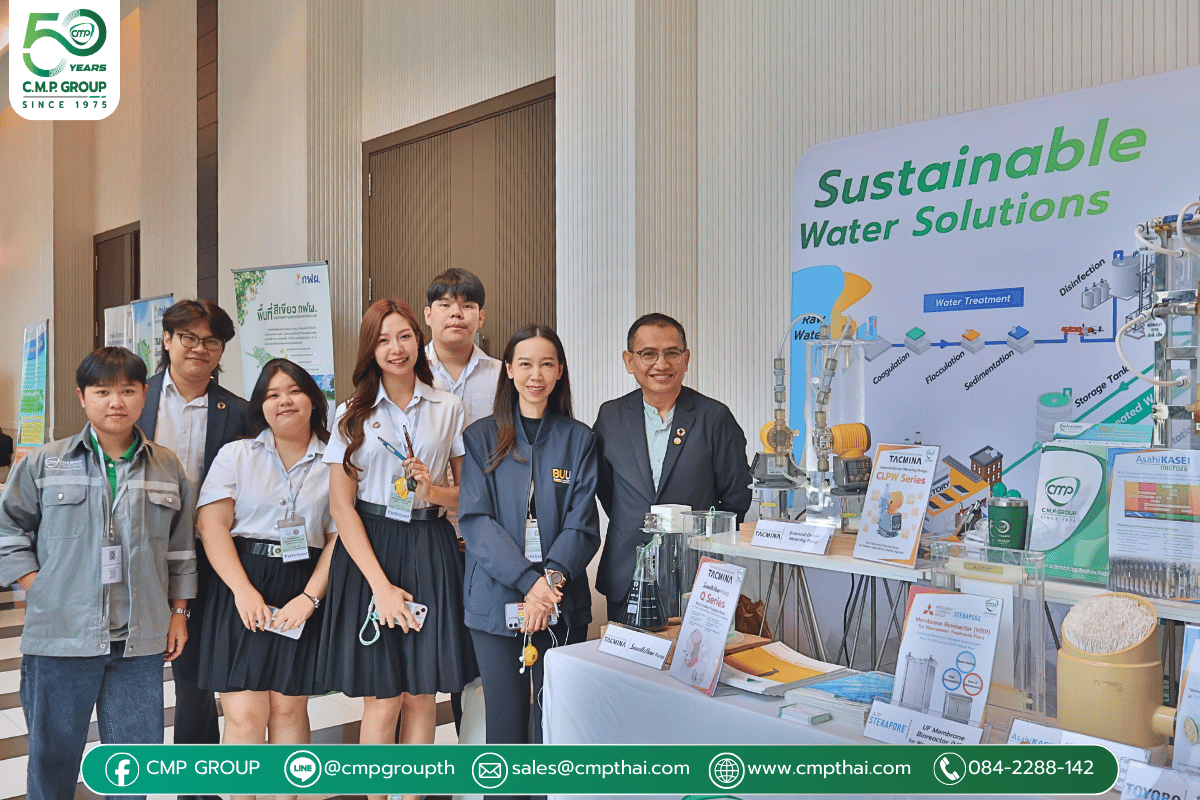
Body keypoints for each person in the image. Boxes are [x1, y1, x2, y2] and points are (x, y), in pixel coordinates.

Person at [0, 348, 196, 800]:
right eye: (102, 391)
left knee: (134, 762)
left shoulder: (167, 466)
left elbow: (181, 548)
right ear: (82, 397)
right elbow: (8, 528)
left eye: (127, 390)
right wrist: (35, 585)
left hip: (139, 639)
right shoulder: (45, 462)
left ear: (144, 393)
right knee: (53, 756)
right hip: (61, 634)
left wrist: (179, 613)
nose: (116, 402)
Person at [318, 299, 477, 773]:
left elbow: (469, 494)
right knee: (383, 699)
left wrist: (433, 491)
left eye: (404, 336)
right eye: (383, 339)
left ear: (418, 340)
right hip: (370, 547)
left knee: (421, 696)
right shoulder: (351, 414)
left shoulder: (448, 407)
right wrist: (380, 587)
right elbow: (341, 506)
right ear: (370, 349)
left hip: (430, 546)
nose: (396, 348)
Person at [459, 324, 599, 750]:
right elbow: (476, 521)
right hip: (495, 597)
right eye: (525, 364)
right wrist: (529, 584)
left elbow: (582, 524)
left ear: (560, 371)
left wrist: (548, 585)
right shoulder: (480, 437)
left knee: (555, 721)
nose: (535, 375)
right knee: (505, 722)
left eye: (546, 364)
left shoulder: (579, 439)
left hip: (560, 598)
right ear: (508, 369)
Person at [194, 359, 337, 767]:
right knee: (245, 714)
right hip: (241, 580)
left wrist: (310, 598)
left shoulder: (335, 461)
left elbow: (339, 538)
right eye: (272, 395)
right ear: (261, 406)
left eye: (294, 391)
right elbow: (211, 525)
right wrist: (243, 591)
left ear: (313, 400)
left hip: (302, 583)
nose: (284, 401)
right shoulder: (237, 454)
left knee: (289, 710)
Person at [136, 299, 250, 761]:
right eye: (188, 337)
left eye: (211, 341)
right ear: (167, 340)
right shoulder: (134, 397)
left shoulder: (239, 411)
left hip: (204, 553)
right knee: (132, 670)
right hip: (137, 548)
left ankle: (196, 781)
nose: (199, 348)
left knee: (194, 671)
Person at [594, 313, 752, 622]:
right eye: (648, 354)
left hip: (695, 576)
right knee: (627, 653)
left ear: (686, 358)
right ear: (629, 361)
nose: (661, 364)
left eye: (672, 353)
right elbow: (605, 488)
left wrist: (701, 542)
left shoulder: (713, 418)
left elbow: (736, 498)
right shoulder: (611, 416)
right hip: (628, 572)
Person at [424, 267, 500, 734]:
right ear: (428, 314)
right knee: (426, 652)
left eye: (467, 305)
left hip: (485, 535)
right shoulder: (407, 371)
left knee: (476, 653)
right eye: (446, 305)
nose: (457, 314)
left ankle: (472, 753)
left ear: (480, 317)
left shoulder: (502, 376)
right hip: (424, 533)